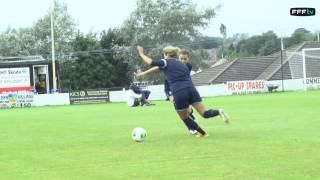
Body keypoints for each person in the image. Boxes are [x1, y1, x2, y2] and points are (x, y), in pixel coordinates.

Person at [137, 45, 229, 138]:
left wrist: (141, 54)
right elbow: (158, 67)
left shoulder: (165, 62)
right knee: (204, 113)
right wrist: (144, 73)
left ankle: (203, 133)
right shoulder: (181, 64)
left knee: (185, 117)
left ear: (166, 54)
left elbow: (151, 62)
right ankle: (218, 111)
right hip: (192, 89)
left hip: (179, 92)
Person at [137, 49, 198, 135]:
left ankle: (191, 118)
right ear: (178, 58)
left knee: (187, 110)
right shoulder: (171, 63)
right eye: (181, 59)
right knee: (180, 110)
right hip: (170, 88)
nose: (183, 61)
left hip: (184, 88)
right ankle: (191, 127)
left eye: (185, 59)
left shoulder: (188, 66)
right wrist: (145, 73)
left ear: (188, 59)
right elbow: (157, 67)